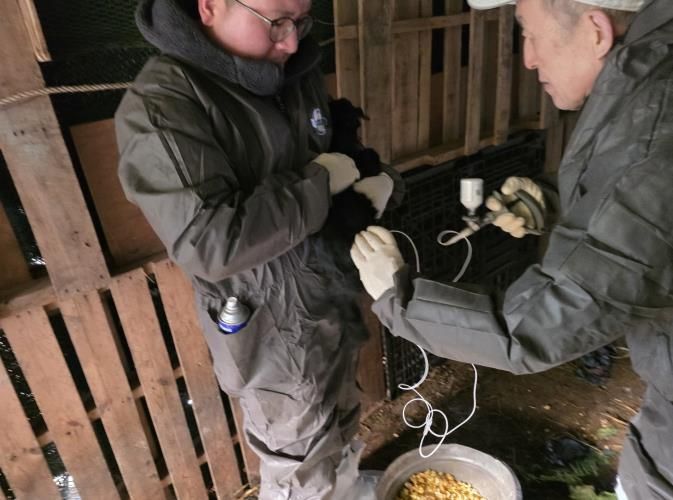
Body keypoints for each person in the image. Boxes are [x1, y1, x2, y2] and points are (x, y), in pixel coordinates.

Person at [350, 0, 673, 499]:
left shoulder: (653, 130)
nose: (528, 58)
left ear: (595, 31)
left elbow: (544, 323)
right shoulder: (651, 79)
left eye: (529, 33)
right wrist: (553, 200)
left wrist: (400, 298)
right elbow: (632, 205)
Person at [114, 0, 401, 498]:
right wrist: (318, 185)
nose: (290, 41)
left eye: (301, 21)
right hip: (269, 323)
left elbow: (328, 150)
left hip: (328, 294)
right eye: (276, 23)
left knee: (340, 418)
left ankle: (346, 487)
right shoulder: (163, 105)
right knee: (296, 454)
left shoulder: (290, 71)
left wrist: (377, 179)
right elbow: (209, 241)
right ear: (210, 7)